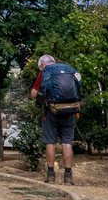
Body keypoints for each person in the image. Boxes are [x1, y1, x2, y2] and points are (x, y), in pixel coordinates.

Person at [30, 54, 79, 185]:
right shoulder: (68, 69)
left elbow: (34, 94)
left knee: (50, 142)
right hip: (69, 111)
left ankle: (51, 175)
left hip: (50, 112)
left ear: (43, 65)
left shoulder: (45, 73)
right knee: (67, 142)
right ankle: (68, 176)